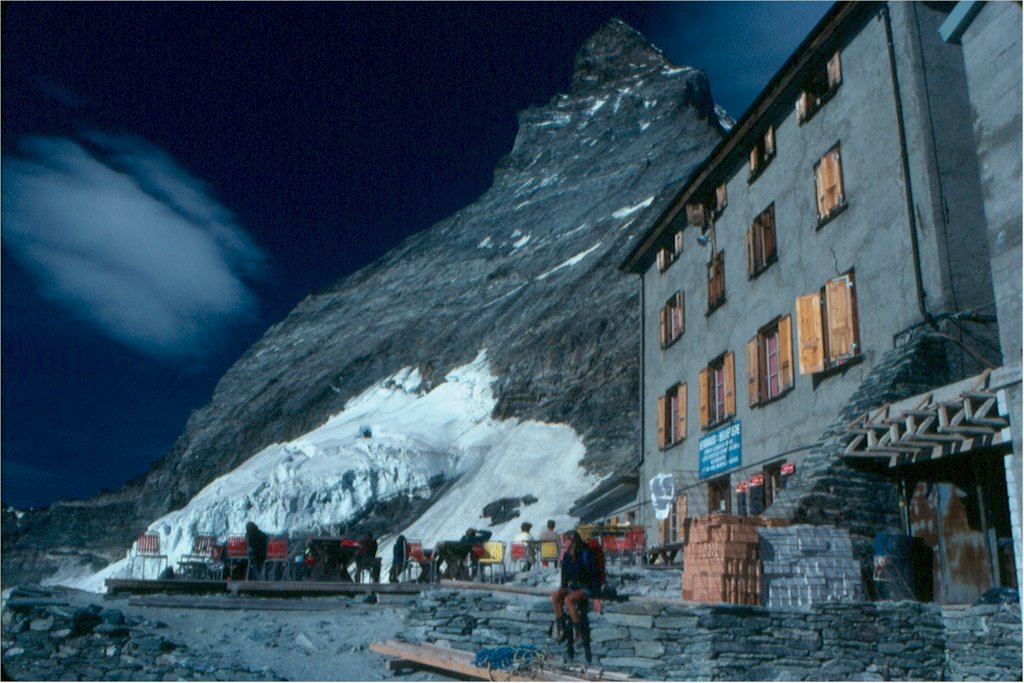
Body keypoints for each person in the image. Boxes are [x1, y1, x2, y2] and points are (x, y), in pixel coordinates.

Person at [550, 530, 600, 642]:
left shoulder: (586, 554)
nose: (564, 543)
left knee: (569, 600)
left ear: (572, 540)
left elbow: (595, 576)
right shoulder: (567, 556)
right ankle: (562, 628)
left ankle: (578, 632)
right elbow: (564, 577)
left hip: (586, 588)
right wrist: (561, 590)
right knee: (555, 596)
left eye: (566, 540)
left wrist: (597, 597)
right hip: (572, 587)